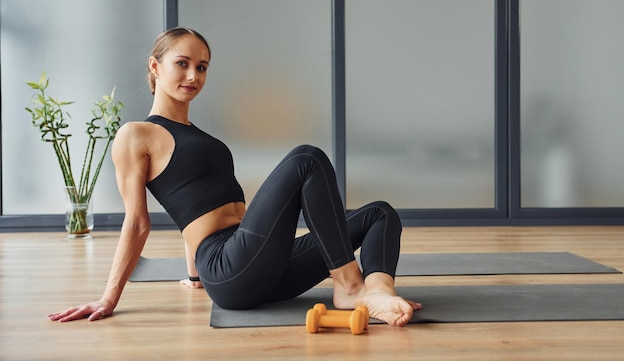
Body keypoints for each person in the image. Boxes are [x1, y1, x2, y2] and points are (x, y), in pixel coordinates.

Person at [48, 27, 421, 326]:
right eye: (182, 63)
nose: (194, 75)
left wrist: (193, 278)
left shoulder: (202, 136)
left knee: (380, 213)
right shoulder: (136, 134)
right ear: (155, 66)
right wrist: (108, 296)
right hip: (230, 269)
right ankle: (349, 286)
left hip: (266, 265)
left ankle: (377, 289)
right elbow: (137, 221)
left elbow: (193, 202)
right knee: (306, 159)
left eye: (203, 66)